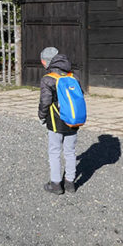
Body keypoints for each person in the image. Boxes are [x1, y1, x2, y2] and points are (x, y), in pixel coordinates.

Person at [38, 46, 80, 195]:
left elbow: (45, 101)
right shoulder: (73, 77)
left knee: (55, 151)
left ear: (46, 62)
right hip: (73, 120)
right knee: (70, 151)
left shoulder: (48, 79)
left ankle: (56, 184)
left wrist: (42, 116)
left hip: (56, 122)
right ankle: (70, 183)